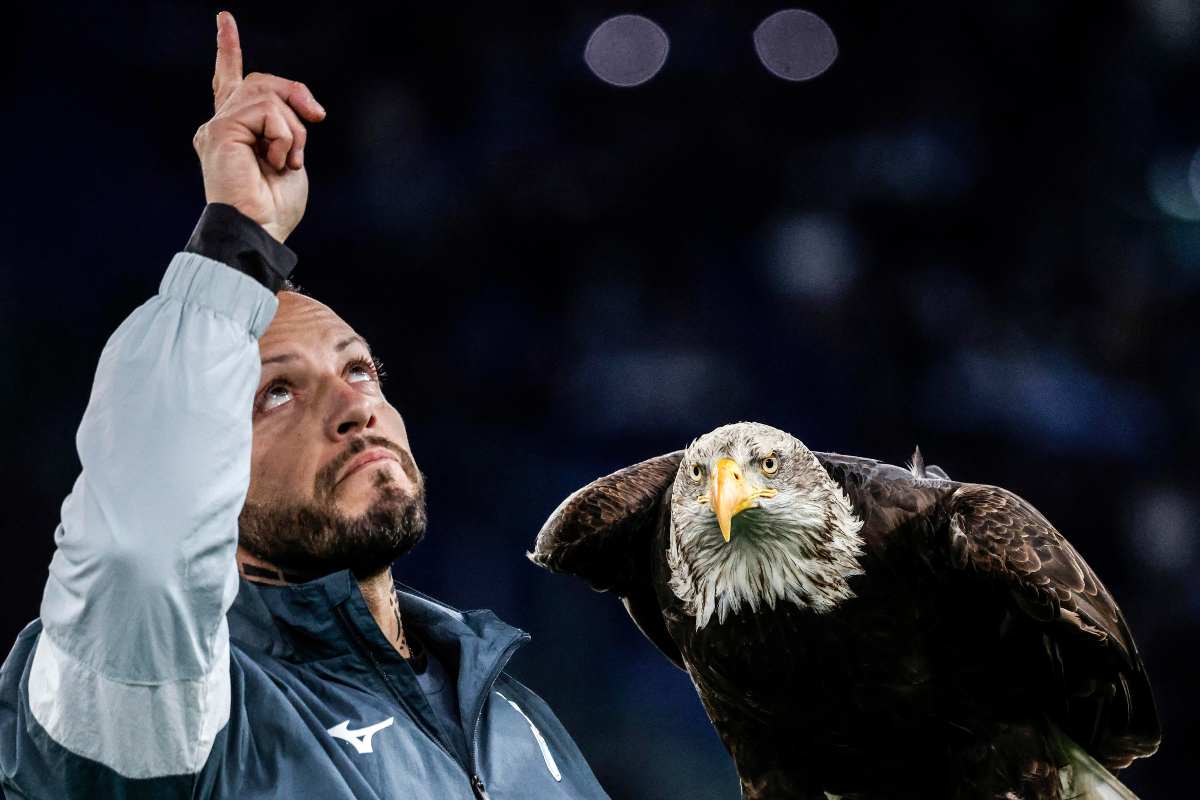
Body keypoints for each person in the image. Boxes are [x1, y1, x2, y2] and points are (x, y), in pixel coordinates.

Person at [0, 12, 608, 800]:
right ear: (208, 464)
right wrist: (238, 239)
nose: (356, 408)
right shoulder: (175, 715)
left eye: (361, 371)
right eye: (277, 392)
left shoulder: (507, 709)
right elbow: (138, 553)